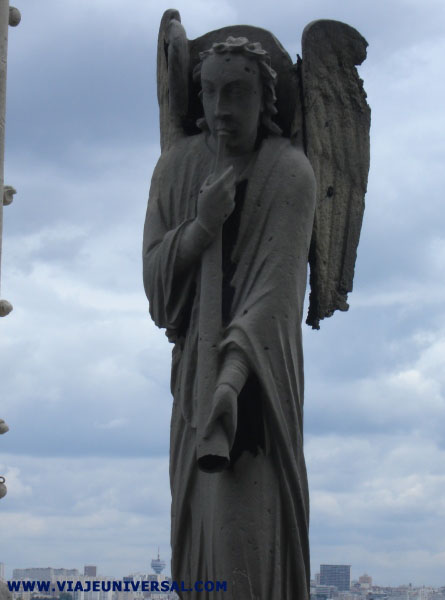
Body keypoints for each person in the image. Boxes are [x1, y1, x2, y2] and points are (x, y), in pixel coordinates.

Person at [143, 37, 316, 599]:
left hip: (258, 390)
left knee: (243, 539)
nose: (221, 108)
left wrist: (231, 380)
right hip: (194, 385)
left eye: (237, 92)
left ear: (265, 99)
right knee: (198, 539)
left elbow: (277, 297)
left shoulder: (289, 173)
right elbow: (157, 292)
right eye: (211, 92)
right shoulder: (177, 168)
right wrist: (200, 227)